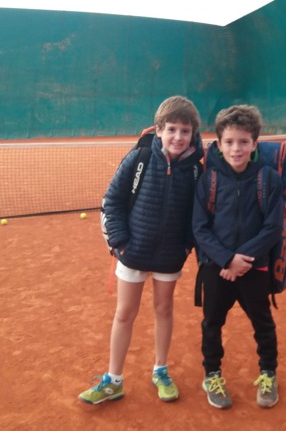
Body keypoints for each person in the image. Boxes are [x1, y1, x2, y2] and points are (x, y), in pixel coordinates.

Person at [79, 96, 204, 405]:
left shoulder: (195, 170)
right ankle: (114, 380)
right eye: (171, 129)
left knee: (164, 310)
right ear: (158, 129)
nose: (178, 137)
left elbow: (198, 214)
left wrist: (185, 246)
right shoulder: (140, 157)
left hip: (169, 257)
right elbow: (112, 201)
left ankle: (160, 370)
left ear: (193, 134)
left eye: (185, 131)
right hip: (132, 252)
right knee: (125, 313)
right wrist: (120, 242)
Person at [192, 105, 284, 409]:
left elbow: (273, 228)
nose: (236, 149)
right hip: (216, 269)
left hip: (255, 269)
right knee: (212, 323)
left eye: (244, 142)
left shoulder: (269, 179)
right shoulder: (208, 181)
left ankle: (268, 373)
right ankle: (212, 374)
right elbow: (200, 228)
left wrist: (243, 260)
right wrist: (227, 260)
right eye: (229, 142)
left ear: (254, 143)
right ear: (219, 144)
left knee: (263, 323)